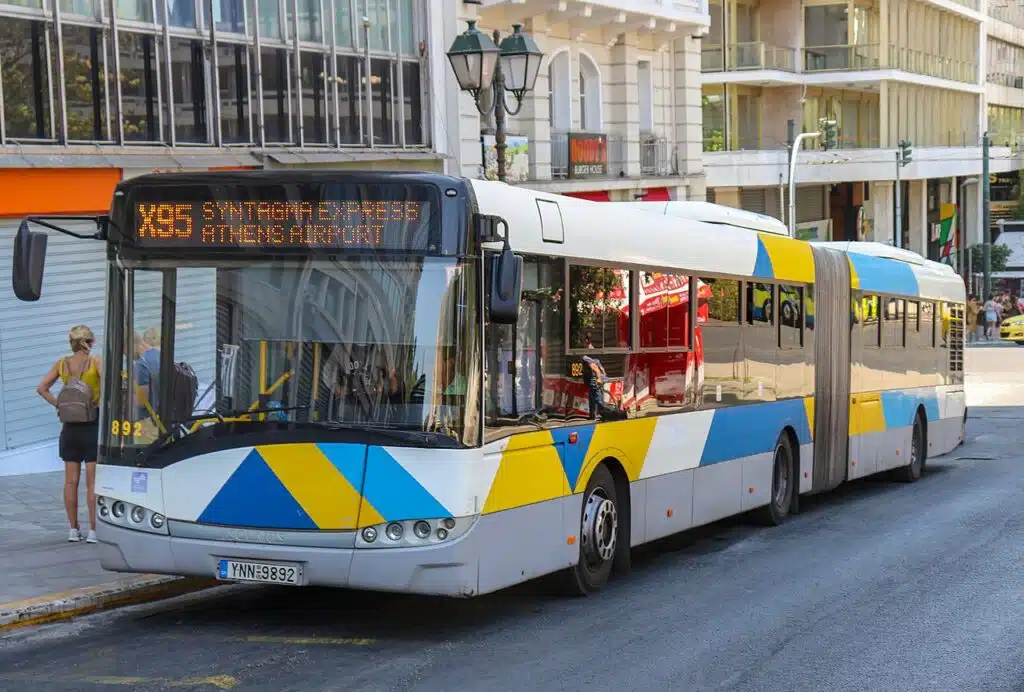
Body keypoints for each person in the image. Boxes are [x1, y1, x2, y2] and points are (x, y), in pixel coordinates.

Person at [36, 325, 102, 543]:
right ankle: (94, 531)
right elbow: (114, 385)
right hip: (92, 425)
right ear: (90, 342)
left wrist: (60, 405)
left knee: (70, 481)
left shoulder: (62, 364)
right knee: (92, 482)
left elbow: (42, 387)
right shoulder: (96, 362)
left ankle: (73, 529)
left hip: (69, 428)